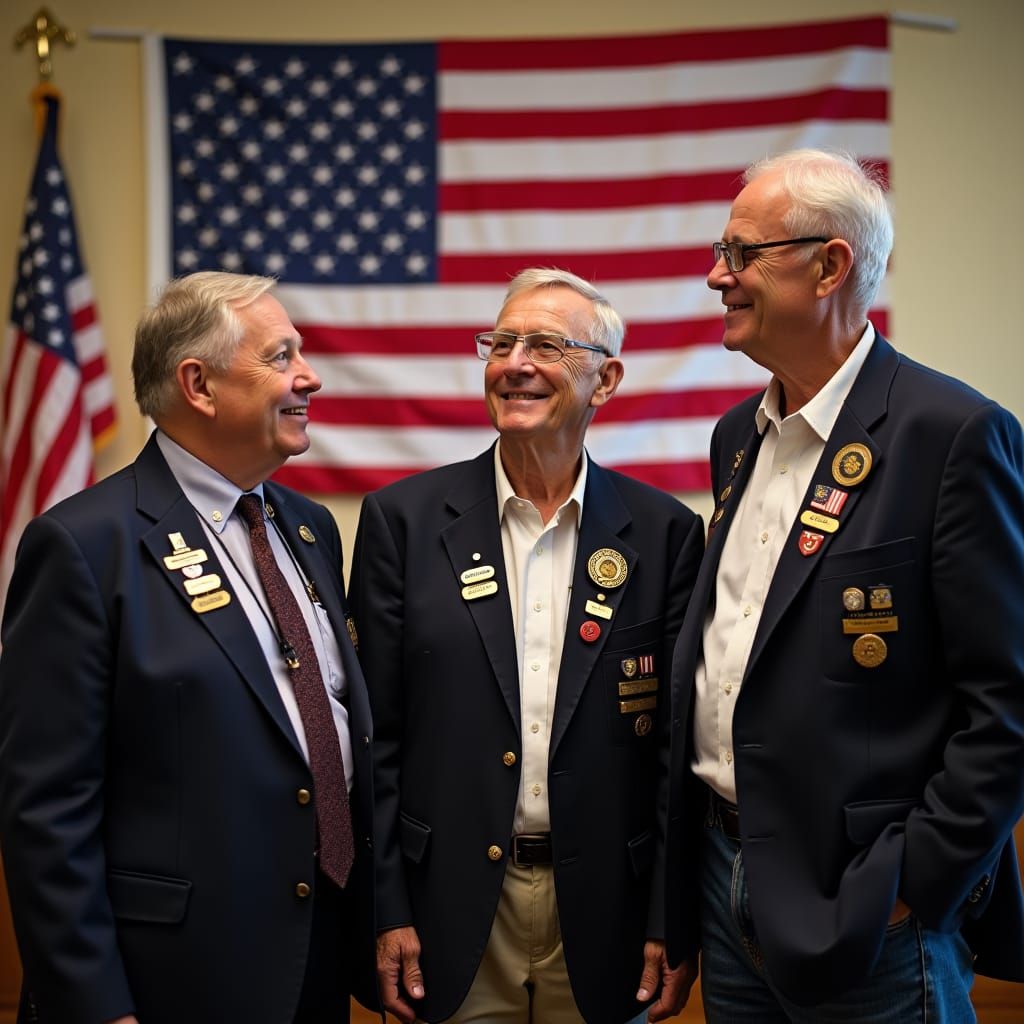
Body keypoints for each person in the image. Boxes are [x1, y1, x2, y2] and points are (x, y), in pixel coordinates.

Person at [656, 148, 1024, 1022]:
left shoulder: (952, 434)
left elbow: (1007, 703)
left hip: (866, 906)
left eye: (744, 253)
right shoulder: (734, 438)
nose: (718, 275)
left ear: (830, 266)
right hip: (724, 880)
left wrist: (912, 886)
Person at [0, 272, 377, 1024]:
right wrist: (93, 1003)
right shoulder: (84, 547)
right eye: (281, 356)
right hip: (167, 980)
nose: (310, 375)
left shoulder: (308, 528)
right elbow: (46, 809)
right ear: (198, 384)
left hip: (316, 959)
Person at [348, 268, 704, 1024]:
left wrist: (668, 918)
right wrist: (384, 908)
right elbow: (371, 741)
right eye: (501, 342)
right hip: (446, 913)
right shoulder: (402, 524)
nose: (514, 362)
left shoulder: (667, 534)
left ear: (604, 379)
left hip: (609, 914)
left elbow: (675, 751)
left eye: (545, 344)